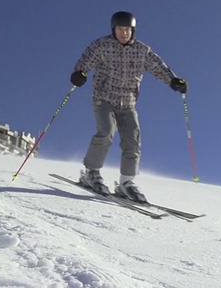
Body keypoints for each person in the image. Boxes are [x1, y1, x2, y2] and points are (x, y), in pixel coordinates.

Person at [70, 11, 187, 203]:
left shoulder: (142, 50)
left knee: (132, 140)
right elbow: (86, 61)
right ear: (113, 29)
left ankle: (126, 182)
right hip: (104, 99)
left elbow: (158, 67)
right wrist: (79, 73)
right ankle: (91, 172)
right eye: (120, 29)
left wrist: (173, 81)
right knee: (106, 132)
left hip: (128, 103)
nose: (124, 33)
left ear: (132, 30)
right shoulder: (102, 46)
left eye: (127, 30)